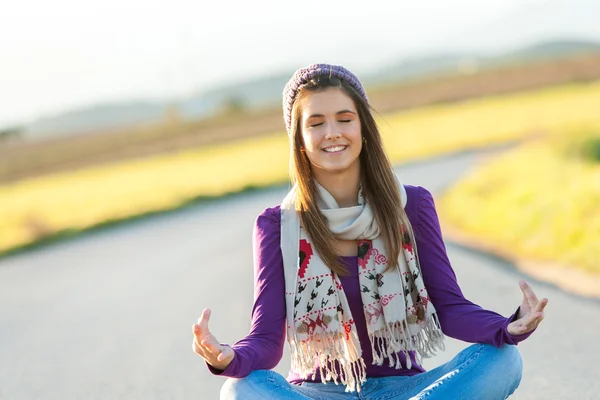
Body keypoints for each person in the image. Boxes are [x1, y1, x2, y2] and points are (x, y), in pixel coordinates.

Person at [192, 63, 548, 399]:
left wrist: (508, 326)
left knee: (504, 360)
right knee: (239, 390)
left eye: (344, 119)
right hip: (316, 392)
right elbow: (266, 340)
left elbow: (450, 307)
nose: (332, 133)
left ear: (363, 127)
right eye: (316, 123)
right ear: (299, 139)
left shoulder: (412, 205)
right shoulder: (277, 225)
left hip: (407, 389)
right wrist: (226, 356)